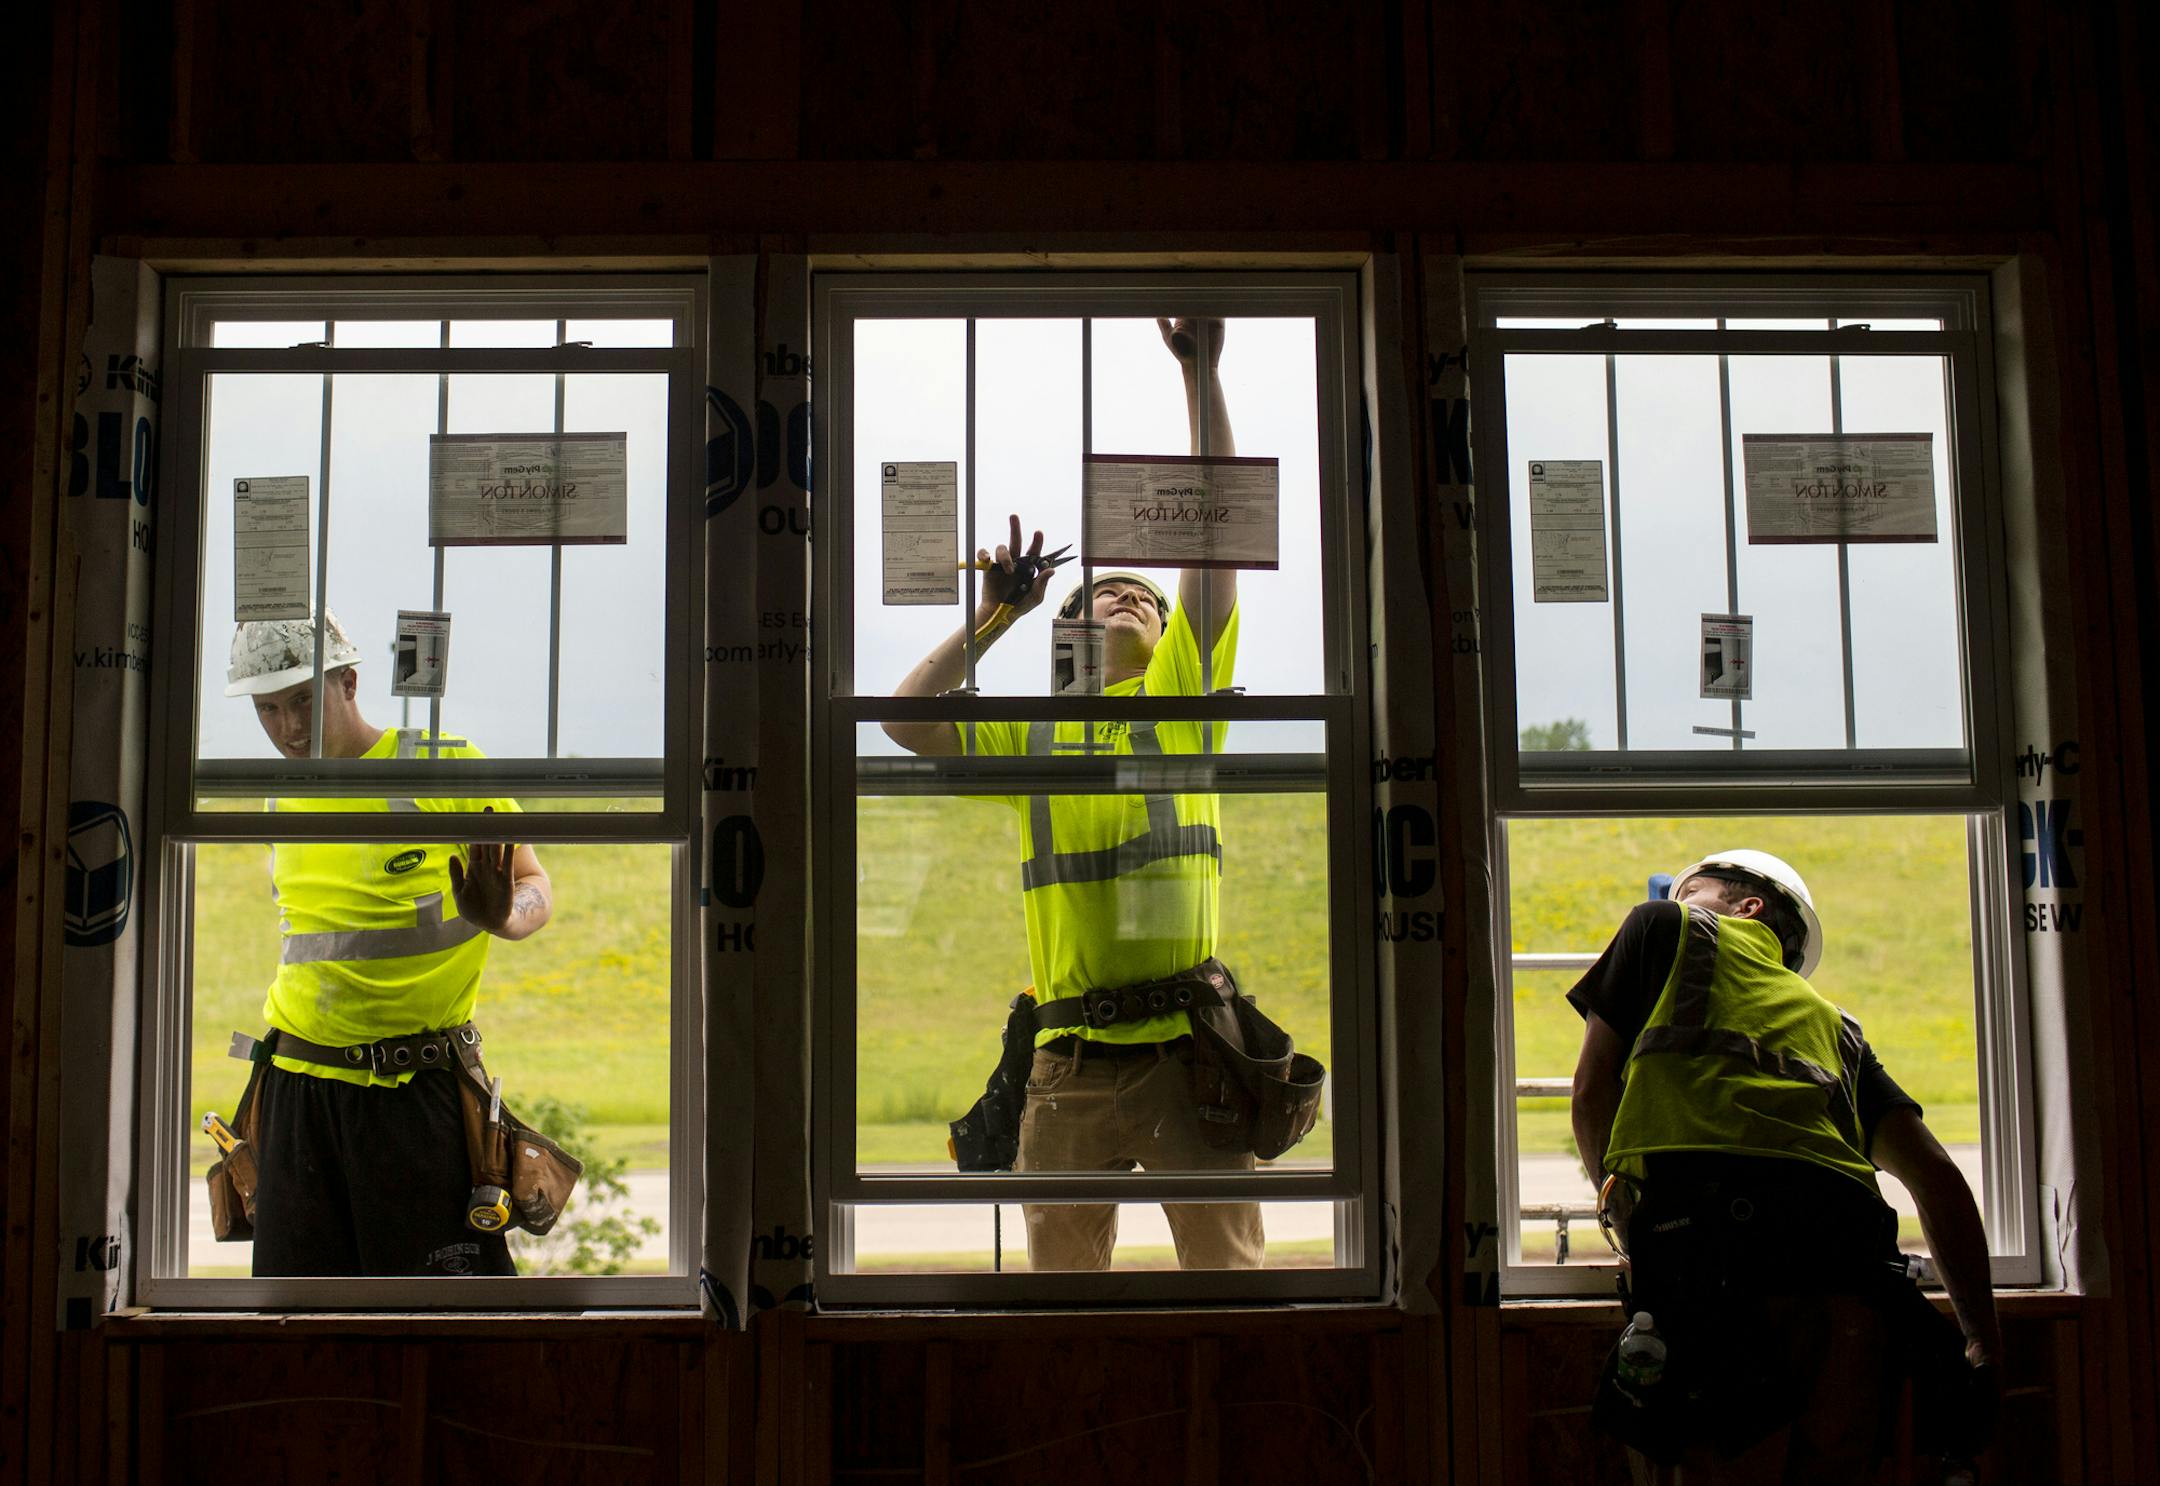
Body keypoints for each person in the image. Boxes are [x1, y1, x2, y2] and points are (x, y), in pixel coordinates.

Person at [885, 317, 1260, 1271]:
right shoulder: (1032, 730)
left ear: (1176, 637)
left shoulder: (1181, 699)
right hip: (1071, 1060)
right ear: (1068, 629)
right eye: (1105, 594)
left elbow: (1214, 527)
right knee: (1061, 1294)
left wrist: (1202, 376)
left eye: (1150, 597)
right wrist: (996, 614)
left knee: (1231, 1285)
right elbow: (904, 716)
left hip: (1190, 1050)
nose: (1131, 597)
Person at [1569, 849, 2001, 1482]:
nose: (1679, 896)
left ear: (1749, 906)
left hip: (1707, 1243)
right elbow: (1938, 1182)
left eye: (1694, 887)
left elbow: (1589, 1094)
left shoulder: (1667, 925)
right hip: (1849, 1259)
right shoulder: (1840, 1031)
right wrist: (1983, 1344)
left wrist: (1624, 1221)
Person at [223, 612, 553, 1276]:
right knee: (295, 1318)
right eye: (269, 709)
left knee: (444, 1322)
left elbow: (531, 885)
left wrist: (503, 917)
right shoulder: (280, 799)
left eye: (304, 701)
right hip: (297, 1092)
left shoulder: (438, 767)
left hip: (414, 1093)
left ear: (348, 682)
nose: (289, 728)